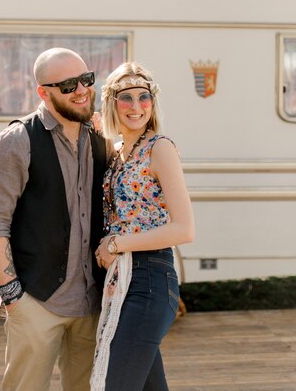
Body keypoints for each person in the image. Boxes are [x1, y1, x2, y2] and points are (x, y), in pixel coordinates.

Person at [0, 48, 110, 391]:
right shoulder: (16, 141)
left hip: (92, 303)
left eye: (86, 79)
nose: (82, 90)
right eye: (68, 85)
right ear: (43, 92)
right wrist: (13, 298)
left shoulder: (100, 136)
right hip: (37, 302)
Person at [91, 61, 194, 391]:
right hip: (122, 280)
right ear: (112, 102)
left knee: (115, 384)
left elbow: (184, 229)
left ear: (153, 101)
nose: (136, 107)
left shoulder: (159, 147)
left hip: (150, 280)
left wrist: (115, 244)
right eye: (126, 98)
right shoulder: (119, 151)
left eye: (143, 97)